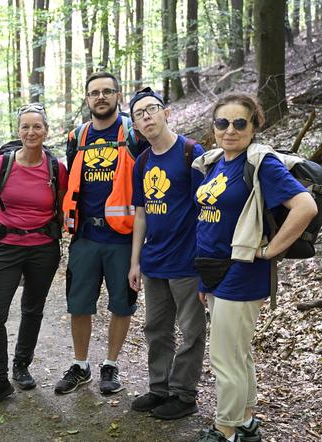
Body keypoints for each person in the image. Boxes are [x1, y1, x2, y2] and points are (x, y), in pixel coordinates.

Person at [192, 93, 317, 441]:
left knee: (224, 357)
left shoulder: (261, 164)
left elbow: (305, 206)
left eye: (239, 123)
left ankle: (225, 428)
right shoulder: (216, 163)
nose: (229, 130)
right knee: (238, 352)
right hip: (214, 271)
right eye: (222, 123)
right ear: (213, 127)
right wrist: (204, 281)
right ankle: (246, 420)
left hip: (242, 273)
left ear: (254, 126)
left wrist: (270, 251)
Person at [0, 104, 68, 411]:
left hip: (44, 248)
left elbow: (64, 204)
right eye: (25, 127)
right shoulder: (5, 162)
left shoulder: (56, 168)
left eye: (36, 127)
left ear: (46, 130)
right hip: (8, 246)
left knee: (32, 308)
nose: (31, 132)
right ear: (18, 131)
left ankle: (21, 365)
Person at [56, 71, 146, 396]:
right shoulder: (76, 137)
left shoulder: (135, 134)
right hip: (84, 237)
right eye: (95, 93)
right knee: (79, 304)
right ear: (87, 98)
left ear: (118, 96)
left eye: (108, 91)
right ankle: (81, 365)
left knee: (122, 305)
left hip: (122, 239)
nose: (101, 97)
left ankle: (111, 364)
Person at [127, 87, 207, 420]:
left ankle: (184, 394)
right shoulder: (142, 162)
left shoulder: (192, 152)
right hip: (154, 261)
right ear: (135, 125)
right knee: (156, 329)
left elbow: (206, 209)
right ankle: (159, 388)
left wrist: (206, 259)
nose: (146, 117)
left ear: (166, 113)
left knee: (191, 331)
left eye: (151, 110)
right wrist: (135, 261)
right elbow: (141, 214)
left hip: (187, 261)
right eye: (138, 114)